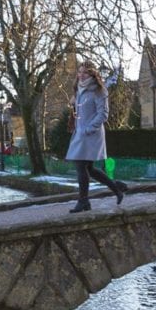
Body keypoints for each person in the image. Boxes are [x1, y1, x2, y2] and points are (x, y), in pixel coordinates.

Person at [65, 60, 127, 213]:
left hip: (91, 135)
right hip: (80, 134)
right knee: (90, 169)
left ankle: (83, 201)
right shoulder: (78, 90)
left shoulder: (100, 91)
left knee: (80, 166)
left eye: (85, 72)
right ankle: (116, 190)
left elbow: (103, 114)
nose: (81, 75)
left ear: (92, 74)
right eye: (79, 72)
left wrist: (88, 129)